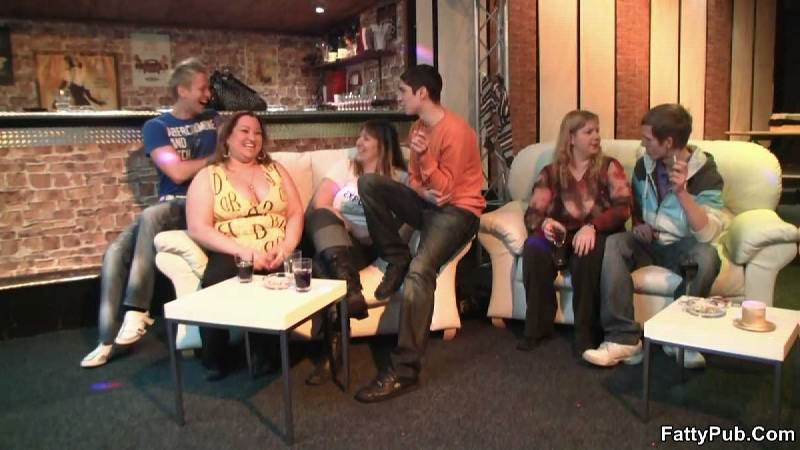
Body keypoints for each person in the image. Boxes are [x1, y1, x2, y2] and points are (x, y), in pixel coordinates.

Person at [353, 65, 485, 403]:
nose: (399, 97)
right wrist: (421, 189)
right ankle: (396, 256)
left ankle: (404, 371)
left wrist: (424, 158)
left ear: (422, 93)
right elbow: (415, 180)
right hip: (429, 203)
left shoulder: (458, 132)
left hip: (459, 211)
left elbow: (447, 190)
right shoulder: (418, 128)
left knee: (420, 271)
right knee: (369, 183)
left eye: (403, 91)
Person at [81, 58, 218, 368]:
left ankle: (137, 309)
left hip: (199, 203)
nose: (207, 94)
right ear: (182, 90)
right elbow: (177, 171)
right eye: (201, 88)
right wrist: (211, 159)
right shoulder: (156, 127)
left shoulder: (215, 119)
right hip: (169, 204)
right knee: (115, 252)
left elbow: (230, 149)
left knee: (151, 216)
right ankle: (106, 341)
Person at [582, 104, 725, 369]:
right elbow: (635, 207)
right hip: (648, 244)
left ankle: (679, 337)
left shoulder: (706, 174)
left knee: (707, 257)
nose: (642, 144)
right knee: (614, 243)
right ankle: (624, 339)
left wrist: (682, 193)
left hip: (684, 245)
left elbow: (707, 234)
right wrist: (639, 225)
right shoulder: (643, 166)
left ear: (668, 142)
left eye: (647, 139)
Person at [186, 111, 304, 380]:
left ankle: (265, 353)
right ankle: (216, 356)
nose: (253, 137)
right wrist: (245, 252)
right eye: (245, 131)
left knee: (284, 276)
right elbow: (198, 227)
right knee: (217, 279)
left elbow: (296, 212)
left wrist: (286, 246)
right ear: (227, 137)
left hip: (277, 247)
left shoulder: (275, 170)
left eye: (258, 133)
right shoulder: (209, 175)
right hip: (234, 248)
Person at [304, 120, 408, 386]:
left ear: (383, 144)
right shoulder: (347, 167)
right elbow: (321, 204)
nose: (358, 143)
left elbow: (398, 226)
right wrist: (345, 224)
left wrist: (367, 232)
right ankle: (350, 290)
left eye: (366, 139)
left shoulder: (399, 179)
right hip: (333, 235)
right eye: (359, 137)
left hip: (364, 247)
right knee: (319, 218)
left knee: (320, 265)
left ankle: (334, 351)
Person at [518, 111, 631, 357]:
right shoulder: (551, 172)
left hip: (595, 233)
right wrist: (546, 223)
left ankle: (586, 333)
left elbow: (623, 208)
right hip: (560, 235)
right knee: (534, 247)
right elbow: (533, 213)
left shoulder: (609, 167)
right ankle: (537, 327)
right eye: (589, 132)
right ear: (571, 138)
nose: (596, 137)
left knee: (586, 253)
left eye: (597, 131)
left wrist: (593, 227)